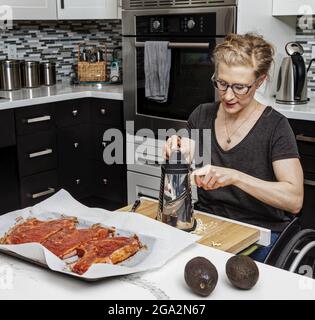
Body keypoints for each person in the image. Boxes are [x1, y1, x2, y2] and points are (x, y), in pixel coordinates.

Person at [163, 33, 304, 262]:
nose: (228, 95)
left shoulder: (275, 126)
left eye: (240, 87)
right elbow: (182, 165)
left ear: (260, 82)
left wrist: (235, 177)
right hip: (209, 223)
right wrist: (177, 153)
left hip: (261, 233)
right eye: (222, 83)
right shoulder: (201, 115)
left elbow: (294, 199)